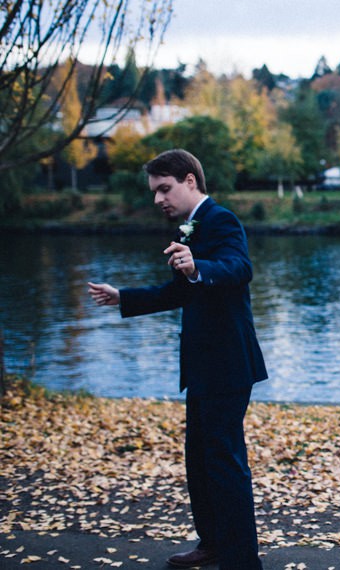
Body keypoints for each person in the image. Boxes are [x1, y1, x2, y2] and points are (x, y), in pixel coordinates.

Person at [88, 149, 267, 570]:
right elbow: (178, 294)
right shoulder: (189, 230)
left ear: (190, 181)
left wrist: (197, 266)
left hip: (228, 363)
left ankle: (242, 560)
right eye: (154, 192)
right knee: (200, 461)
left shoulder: (222, 219)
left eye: (164, 189)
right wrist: (123, 297)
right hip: (202, 366)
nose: (158, 200)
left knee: (225, 464)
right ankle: (214, 543)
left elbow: (239, 268)